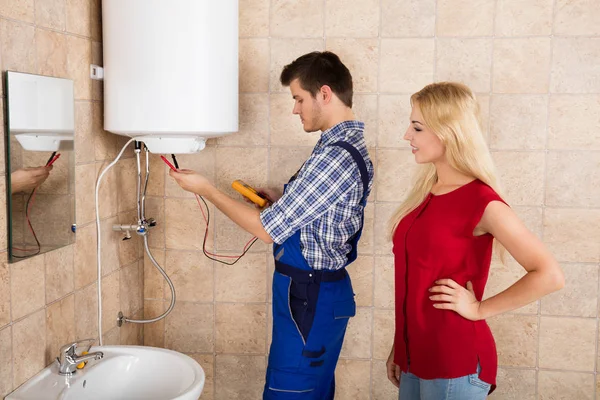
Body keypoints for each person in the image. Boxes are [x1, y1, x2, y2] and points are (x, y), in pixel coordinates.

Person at [169, 51, 374, 399]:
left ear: (324, 94)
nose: (295, 109)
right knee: (310, 391)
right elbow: (323, 207)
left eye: (298, 98)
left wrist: (206, 190)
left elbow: (266, 231)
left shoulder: (334, 157)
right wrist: (284, 194)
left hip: (311, 298)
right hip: (313, 294)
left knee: (289, 391)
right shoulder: (337, 147)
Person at [386, 82, 564, 400]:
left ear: (449, 132)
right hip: (414, 360)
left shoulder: (482, 201)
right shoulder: (425, 194)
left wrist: (480, 309)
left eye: (417, 127)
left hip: (455, 363)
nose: (406, 136)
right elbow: (415, 281)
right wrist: (399, 348)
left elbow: (549, 274)